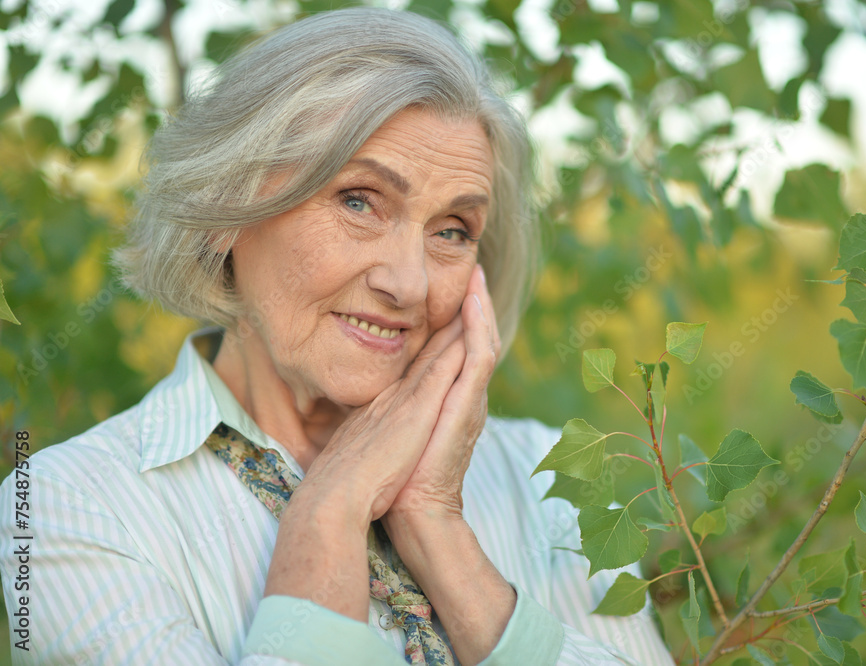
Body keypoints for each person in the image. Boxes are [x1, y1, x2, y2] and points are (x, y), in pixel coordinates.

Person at [0, 8, 674, 665]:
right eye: (358, 200)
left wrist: (435, 523)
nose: (408, 283)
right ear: (222, 209)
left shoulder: (550, 477)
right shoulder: (69, 506)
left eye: (451, 231)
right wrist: (330, 512)